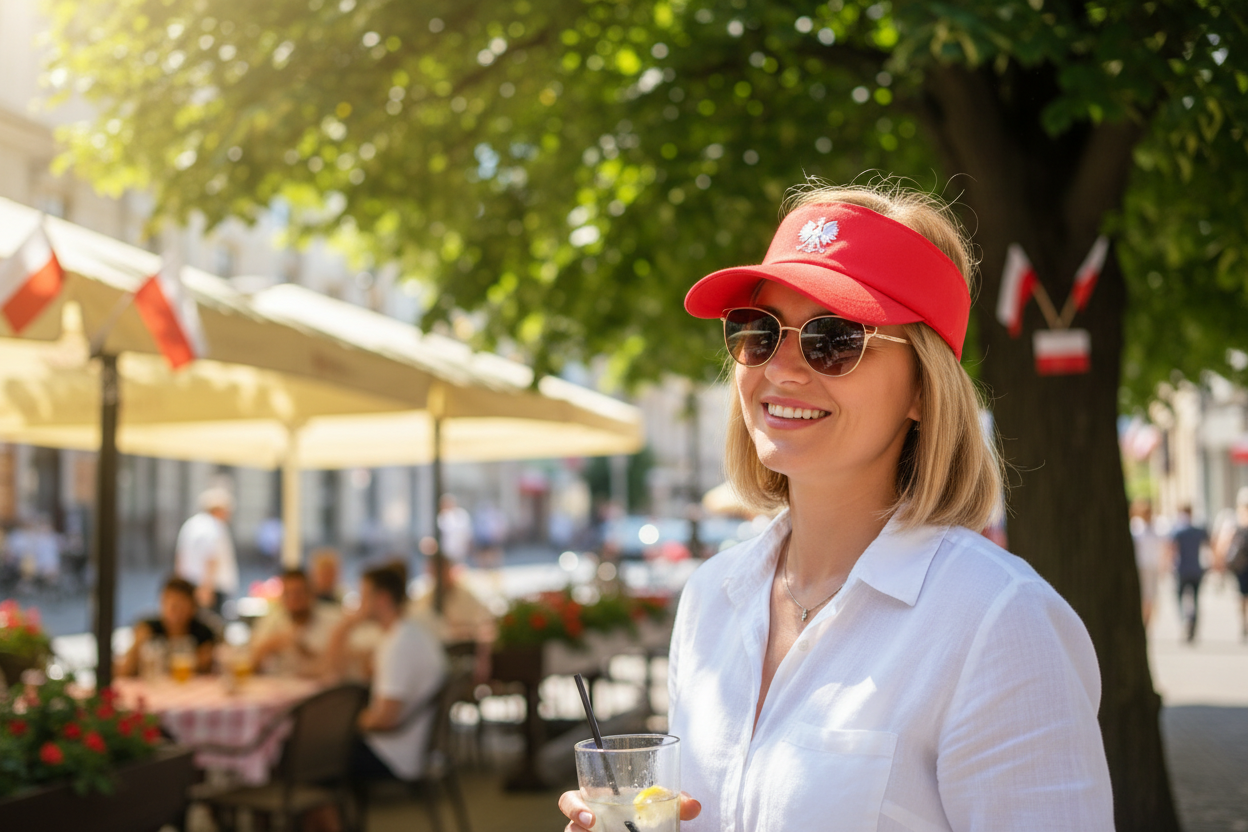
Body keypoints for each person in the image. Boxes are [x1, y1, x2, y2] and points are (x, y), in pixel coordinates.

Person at [559, 183, 1113, 831]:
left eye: (834, 338)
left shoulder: (1001, 623)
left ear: (922, 390)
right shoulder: (711, 598)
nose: (783, 369)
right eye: (758, 331)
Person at [324, 564, 446, 781]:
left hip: (393, 754)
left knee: (309, 756)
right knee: (317, 748)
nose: (358, 605)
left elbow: (386, 718)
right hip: (411, 747)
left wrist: (347, 723)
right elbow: (345, 671)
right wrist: (345, 628)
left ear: (381, 598)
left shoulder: (398, 645)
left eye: (362, 596)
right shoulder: (404, 633)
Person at [249, 569, 342, 677]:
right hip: (281, 689)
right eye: (288, 594)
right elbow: (250, 666)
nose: (293, 599)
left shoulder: (333, 619)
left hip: (322, 689)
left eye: (298, 593)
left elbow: (340, 667)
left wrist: (304, 651)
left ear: (311, 593)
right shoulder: (273, 620)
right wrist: (267, 648)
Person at [118, 576, 217, 677]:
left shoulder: (203, 633)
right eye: (168, 603)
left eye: (180, 605)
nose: (174, 610)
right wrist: (135, 648)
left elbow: (208, 669)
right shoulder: (147, 629)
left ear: (193, 607)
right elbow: (123, 672)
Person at [175, 488, 238, 614]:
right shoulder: (214, 526)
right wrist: (206, 589)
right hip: (210, 589)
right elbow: (211, 559)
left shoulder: (191, 524)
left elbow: (180, 557)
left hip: (191, 585)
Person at [1169, 504, 1210, 643]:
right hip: (1196, 569)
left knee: (1181, 598)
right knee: (1196, 599)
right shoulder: (1198, 530)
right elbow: (1210, 545)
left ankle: (1185, 620)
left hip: (1181, 569)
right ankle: (1192, 621)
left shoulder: (1178, 531)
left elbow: (1171, 549)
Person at [1214, 487, 1248, 641]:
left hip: (1239, 565)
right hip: (1241, 565)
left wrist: (1220, 563)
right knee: (1242, 596)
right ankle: (1244, 623)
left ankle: (1244, 623)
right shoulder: (1233, 521)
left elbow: (1223, 544)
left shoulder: (1233, 520)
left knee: (1242, 596)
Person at [1131, 498, 1165, 628]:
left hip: (1152, 566)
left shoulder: (1156, 528)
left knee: (1151, 597)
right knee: (1144, 596)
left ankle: (1146, 622)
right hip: (1142, 567)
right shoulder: (1136, 528)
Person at [436, 494, 473, 564]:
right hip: (446, 551)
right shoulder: (442, 517)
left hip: (460, 550)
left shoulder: (461, 514)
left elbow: (466, 532)